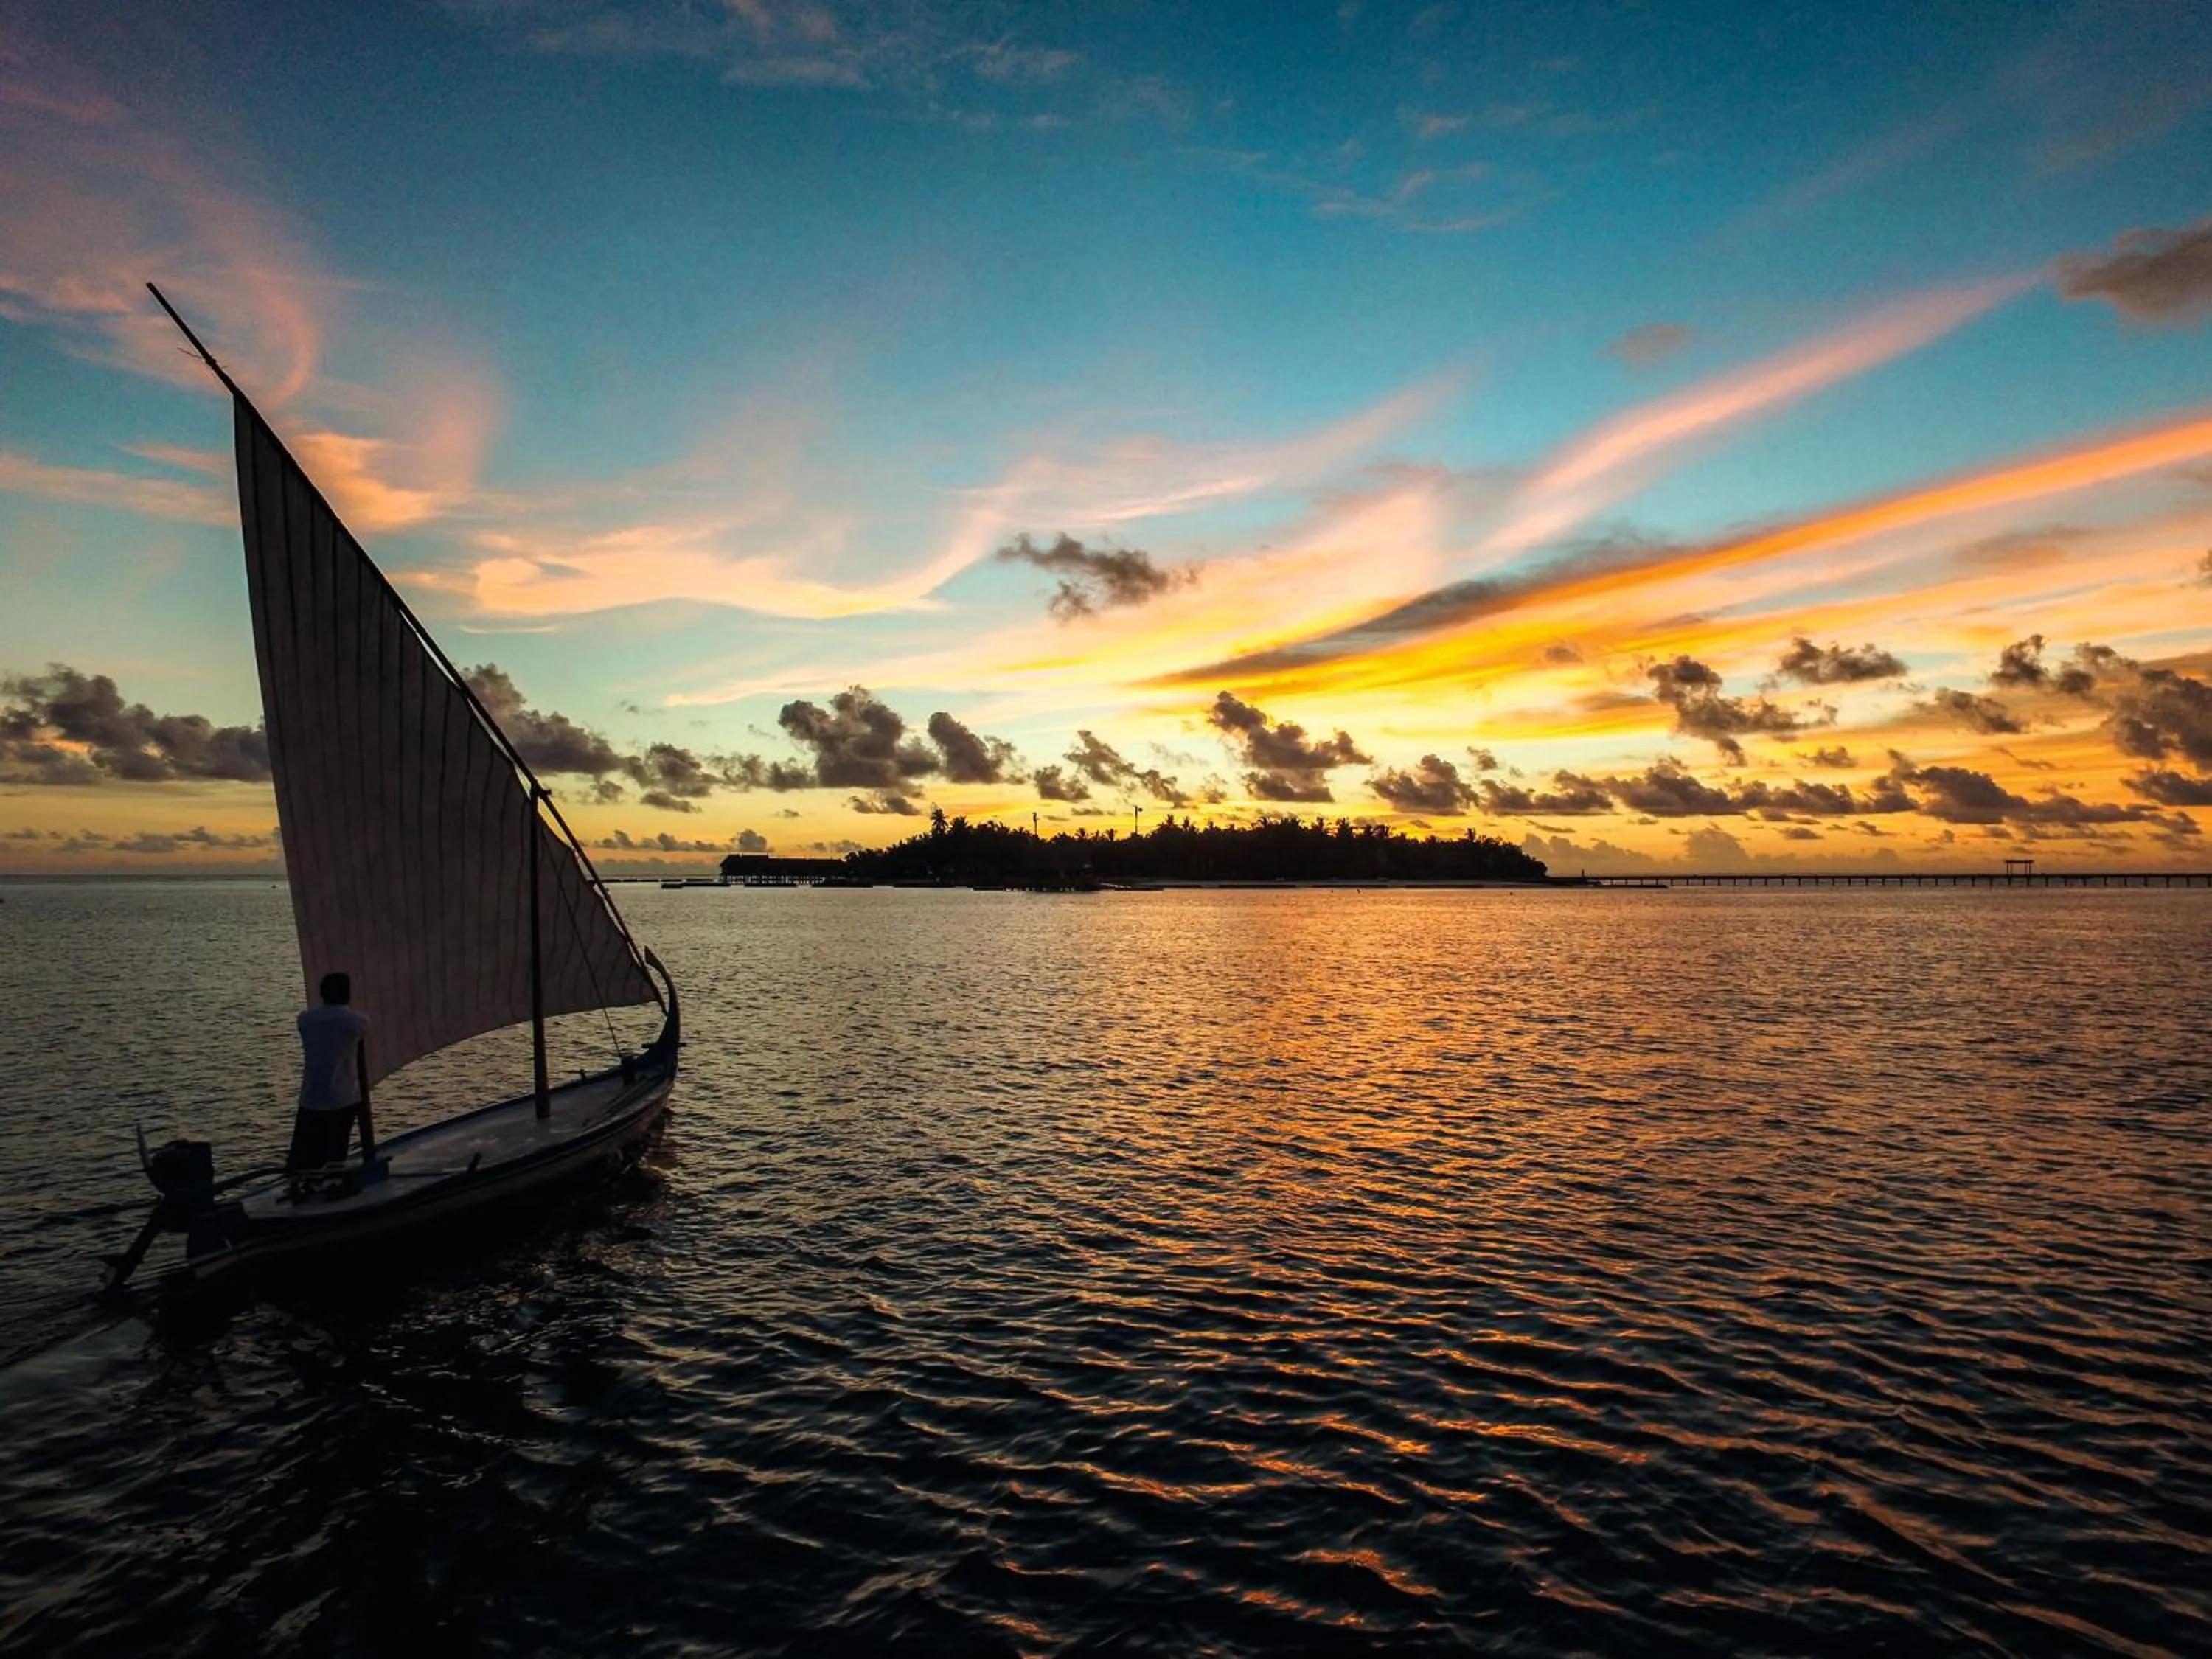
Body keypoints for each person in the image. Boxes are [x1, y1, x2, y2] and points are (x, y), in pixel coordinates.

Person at [288, 970, 374, 1172]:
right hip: (342, 1098)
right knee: (335, 1153)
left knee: (303, 1154)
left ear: (322, 993)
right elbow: (365, 1023)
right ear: (347, 994)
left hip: (311, 1096)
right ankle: (332, 1186)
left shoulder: (306, 1020)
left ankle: (300, 1186)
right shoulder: (355, 1022)